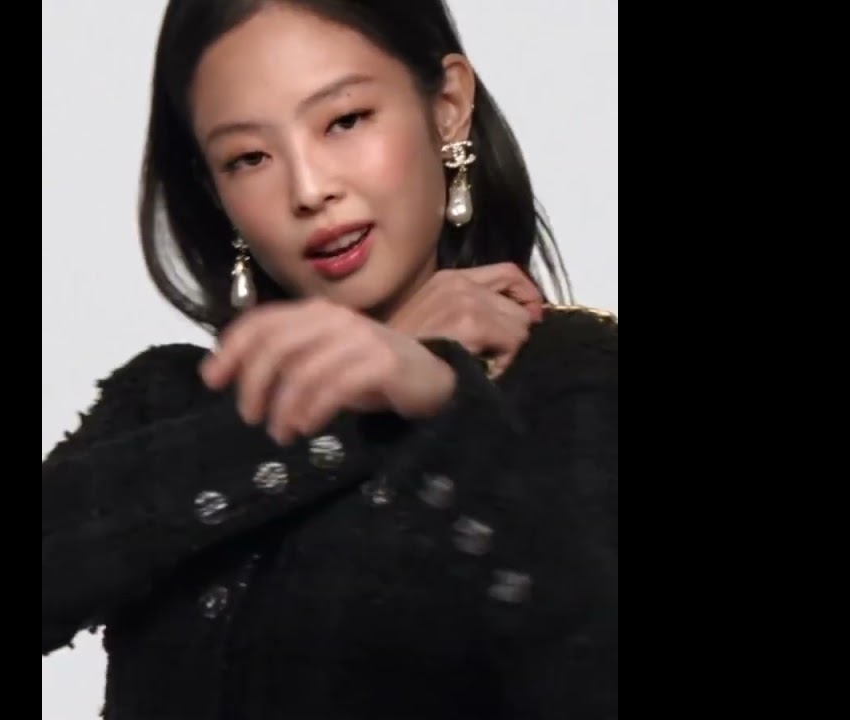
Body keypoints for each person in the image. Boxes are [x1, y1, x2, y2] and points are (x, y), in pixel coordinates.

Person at [41, 0, 617, 718]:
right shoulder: (164, 405)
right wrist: (340, 406)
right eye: (249, 158)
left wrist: (447, 406)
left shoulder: (578, 383)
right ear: (215, 192)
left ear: (446, 107)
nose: (309, 190)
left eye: (345, 120)